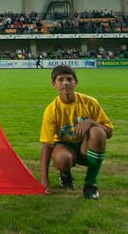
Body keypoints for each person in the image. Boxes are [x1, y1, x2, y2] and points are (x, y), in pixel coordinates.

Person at [40, 65, 113, 200]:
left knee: (98, 132)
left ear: (76, 82)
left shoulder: (90, 103)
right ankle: (65, 175)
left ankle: (90, 185)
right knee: (62, 159)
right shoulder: (51, 110)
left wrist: (91, 122)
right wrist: (44, 180)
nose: (65, 83)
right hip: (64, 146)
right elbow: (47, 145)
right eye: (60, 80)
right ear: (54, 84)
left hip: (86, 146)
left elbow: (109, 132)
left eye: (69, 79)